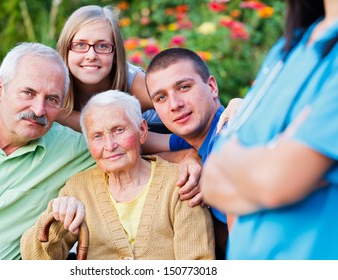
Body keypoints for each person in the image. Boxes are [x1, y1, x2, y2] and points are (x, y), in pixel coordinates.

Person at [201, 0, 338, 259]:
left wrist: (240, 162)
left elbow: (274, 182)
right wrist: (270, 166)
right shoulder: (287, 50)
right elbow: (212, 181)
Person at [20, 90, 215, 260]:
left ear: (142, 131)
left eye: (118, 130)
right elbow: (34, 261)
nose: (110, 145)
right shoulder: (78, 187)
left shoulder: (180, 183)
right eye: (97, 136)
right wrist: (56, 218)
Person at [0, 42, 95, 260]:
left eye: (52, 99)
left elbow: (131, 153)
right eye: (28, 93)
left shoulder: (76, 150)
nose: (38, 110)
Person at [0, 5, 161, 132]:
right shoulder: (51, 80)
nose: (91, 55)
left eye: (103, 46)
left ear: (116, 54)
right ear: (65, 50)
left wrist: (56, 114)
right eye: (80, 45)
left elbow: (105, 126)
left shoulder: (134, 82)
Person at [144, 48, 229, 259]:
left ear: (211, 87)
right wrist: (186, 156)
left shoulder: (228, 140)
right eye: (161, 97)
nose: (175, 104)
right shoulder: (193, 138)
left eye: (184, 87)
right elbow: (134, 145)